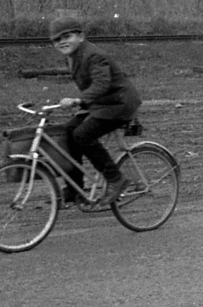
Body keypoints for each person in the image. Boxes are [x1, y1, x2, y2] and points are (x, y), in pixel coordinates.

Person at [49, 20, 141, 208]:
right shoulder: (73, 56)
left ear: (81, 37)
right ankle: (76, 188)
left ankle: (115, 178)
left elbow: (101, 84)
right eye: (57, 40)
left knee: (82, 135)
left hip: (119, 104)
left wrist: (78, 100)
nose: (62, 42)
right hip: (102, 104)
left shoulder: (94, 55)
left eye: (67, 37)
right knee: (68, 132)